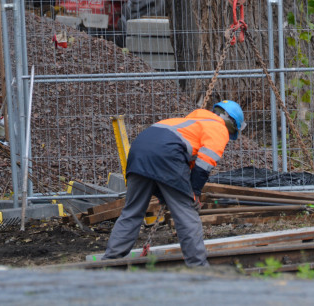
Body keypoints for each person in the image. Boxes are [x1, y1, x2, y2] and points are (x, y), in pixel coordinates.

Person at [103, 100, 245, 266]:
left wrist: (168, 194)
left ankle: (109, 264)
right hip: (168, 154)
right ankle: (199, 268)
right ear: (231, 123)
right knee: (187, 214)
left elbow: (176, 170)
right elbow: (205, 163)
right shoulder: (218, 127)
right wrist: (195, 192)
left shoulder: (187, 123)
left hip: (139, 152)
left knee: (132, 212)